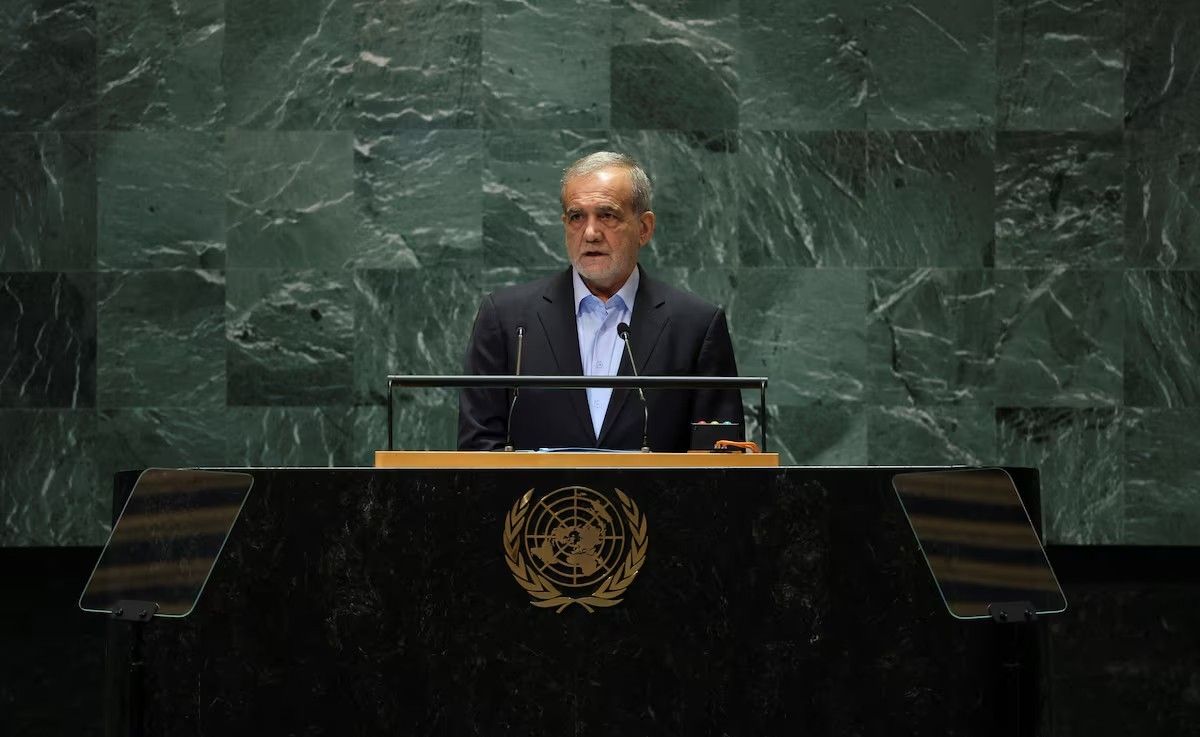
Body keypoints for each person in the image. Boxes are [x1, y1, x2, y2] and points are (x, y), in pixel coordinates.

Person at [457, 151, 743, 451]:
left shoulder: (695, 326)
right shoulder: (506, 319)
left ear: (644, 228)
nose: (591, 233)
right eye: (577, 217)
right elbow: (478, 448)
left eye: (607, 215)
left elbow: (720, 457)